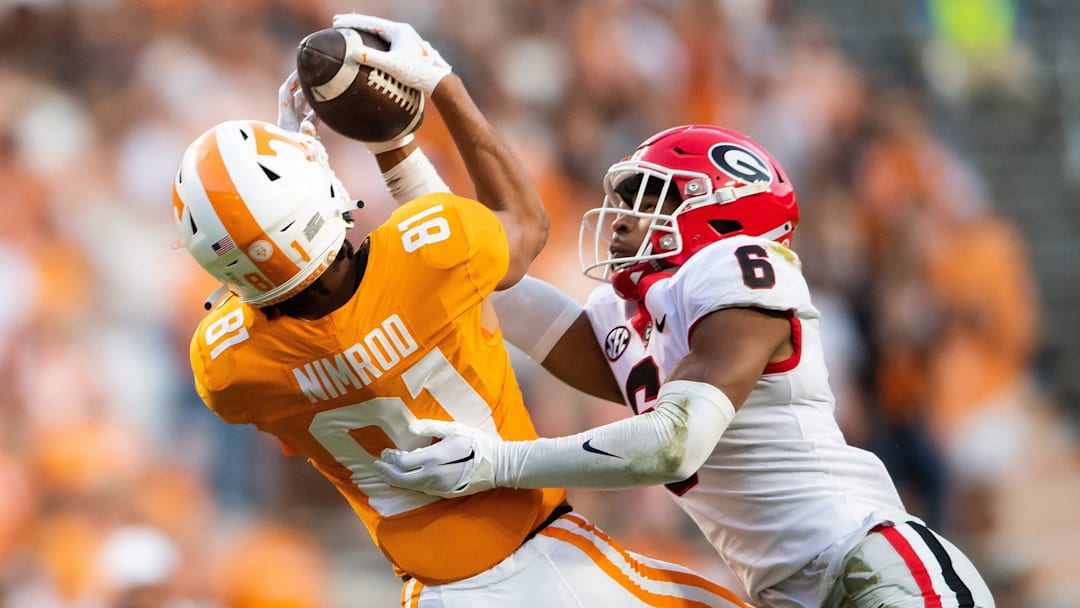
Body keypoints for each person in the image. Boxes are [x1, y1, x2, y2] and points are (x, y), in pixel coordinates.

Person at [173, 13, 749, 608]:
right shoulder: (425, 254)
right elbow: (524, 225)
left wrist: (280, 195)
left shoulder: (228, 366)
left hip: (434, 594)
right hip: (546, 564)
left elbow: (267, 278)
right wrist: (440, 88)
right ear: (319, 196)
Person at [372, 125, 997, 607]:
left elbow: (673, 445)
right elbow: (484, 280)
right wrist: (398, 151)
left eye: (648, 198)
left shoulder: (741, 269)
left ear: (720, 210)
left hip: (870, 566)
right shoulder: (632, 318)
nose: (621, 218)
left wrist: (495, 463)